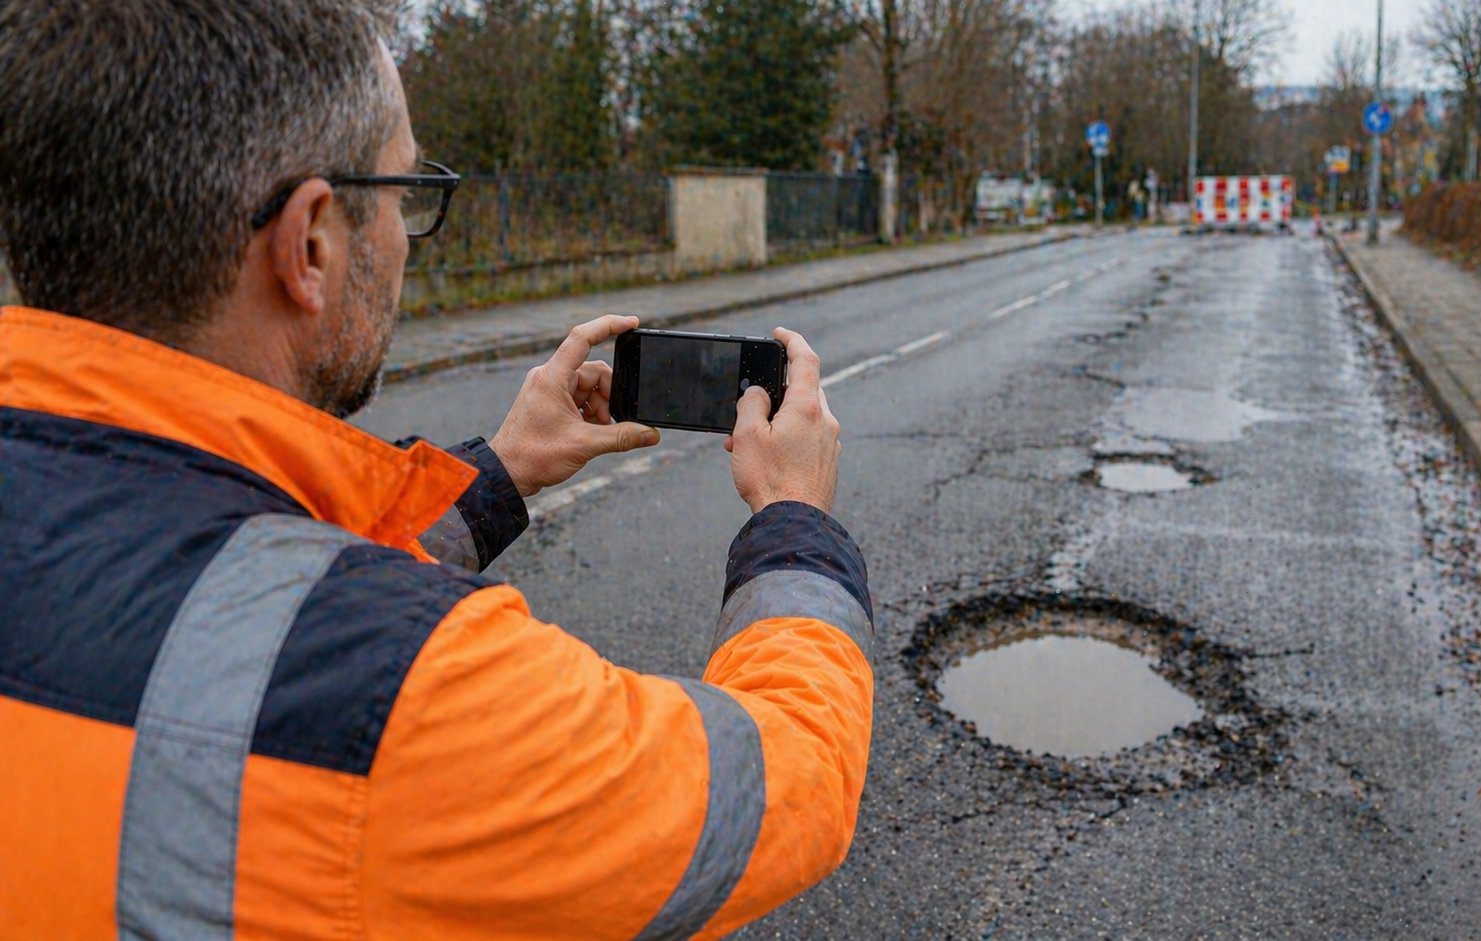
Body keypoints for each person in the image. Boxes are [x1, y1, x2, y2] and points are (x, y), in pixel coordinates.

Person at [0, 2, 873, 938]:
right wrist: (794, 518)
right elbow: (790, 776)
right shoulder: (413, 690)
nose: (405, 235)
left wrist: (499, 475)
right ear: (310, 243)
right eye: (405, 192)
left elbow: (231, 589)